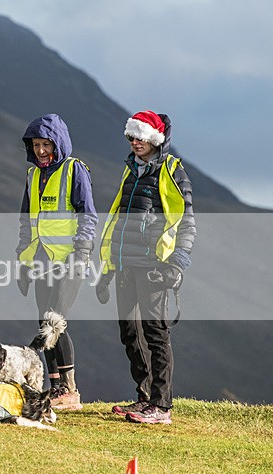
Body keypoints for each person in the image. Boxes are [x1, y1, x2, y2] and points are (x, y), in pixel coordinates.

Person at [97, 110, 196, 424]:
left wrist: (177, 265)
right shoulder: (131, 170)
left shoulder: (172, 170)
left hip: (154, 267)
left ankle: (161, 406)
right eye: (132, 135)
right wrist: (108, 268)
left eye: (141, 136)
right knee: (130, 333)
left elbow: (186, 222)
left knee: (156, 333)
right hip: (125, 265)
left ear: (154, 138)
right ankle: (144, 398)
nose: (135, 141)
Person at [15, 114, 97, 411]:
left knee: (54, 321)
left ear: (58, 143)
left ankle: (70, 390)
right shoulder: (33, 175)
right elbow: (27, 222)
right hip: (41, 259)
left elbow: (88, 215)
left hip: (69, 259)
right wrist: (23, 262)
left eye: (46, 144)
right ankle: (56, 388)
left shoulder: (75, 171)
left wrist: (82, 255)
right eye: (36, 145)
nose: (40, 151)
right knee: (43, 323)